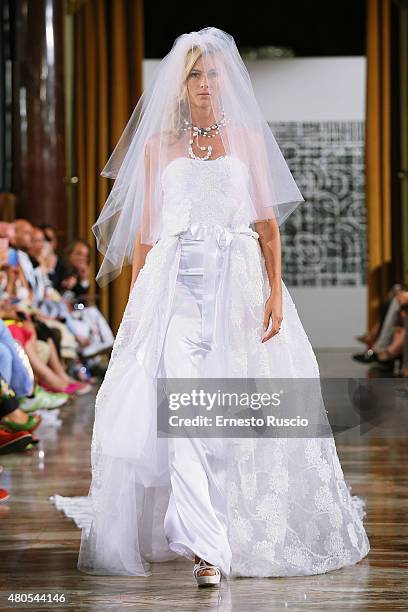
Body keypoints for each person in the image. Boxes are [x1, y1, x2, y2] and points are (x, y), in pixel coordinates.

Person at [51, 28, 370, 586]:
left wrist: (274, 292)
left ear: (227, 81)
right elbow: (148, 236)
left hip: (239, 287)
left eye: (213, 74)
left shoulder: (247, 138)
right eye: (194, 74)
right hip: (175, 290)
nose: (204, 83)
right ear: (181, 83)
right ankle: (205, 547)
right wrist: (139, 308)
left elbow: (268, 228)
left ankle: (225, 528)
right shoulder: (157, 148)